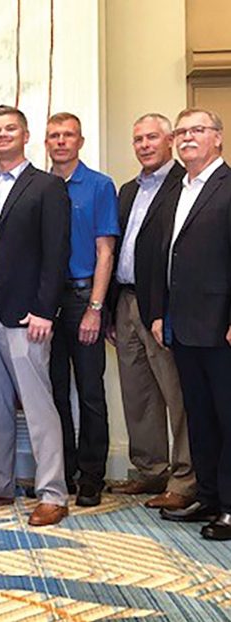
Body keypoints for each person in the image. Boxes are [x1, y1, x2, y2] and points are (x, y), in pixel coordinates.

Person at [0, 105, 71, 527]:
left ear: (26, 136)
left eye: (11, 129)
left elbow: (56, 253)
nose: (2, 135)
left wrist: (45, 309)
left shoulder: (46, 187)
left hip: (27, 314)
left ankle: (53, 493)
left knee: (38, 405)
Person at [108, 113, 195, 510]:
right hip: (125, 300)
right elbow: (116, 249)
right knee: (138, 392)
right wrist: (110, 308)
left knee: (176, 394)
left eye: (152, 138)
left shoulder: (184, 185)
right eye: (138, 139)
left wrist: (162, 310)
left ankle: (185, 478)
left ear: (169, 140)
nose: (144, 145)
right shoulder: (128, 190)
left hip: (161, 303)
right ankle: (150, 470)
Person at [151, 108, 231, 541]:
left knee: (228, 416)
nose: (186, 138)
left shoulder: (228, 186)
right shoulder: (177, 191)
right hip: (183, 324)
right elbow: (170, 257)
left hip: (221, 325)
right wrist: (160, 313)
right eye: (180, 132)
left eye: (196, 130)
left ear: (217, 137)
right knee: (199, 416)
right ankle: (209, 495)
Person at [45, 112, 120, 507]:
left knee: (90, 391)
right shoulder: (38, 187)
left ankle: (92, 475)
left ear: (80, 141)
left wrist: (95, 308)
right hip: (47, 303)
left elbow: (105, 252)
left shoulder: (99, 186)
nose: (60, 141)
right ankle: (64, 469)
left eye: (68, 135)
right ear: (45, 142)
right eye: (54, 136)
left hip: (82, 296)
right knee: (53, 391)